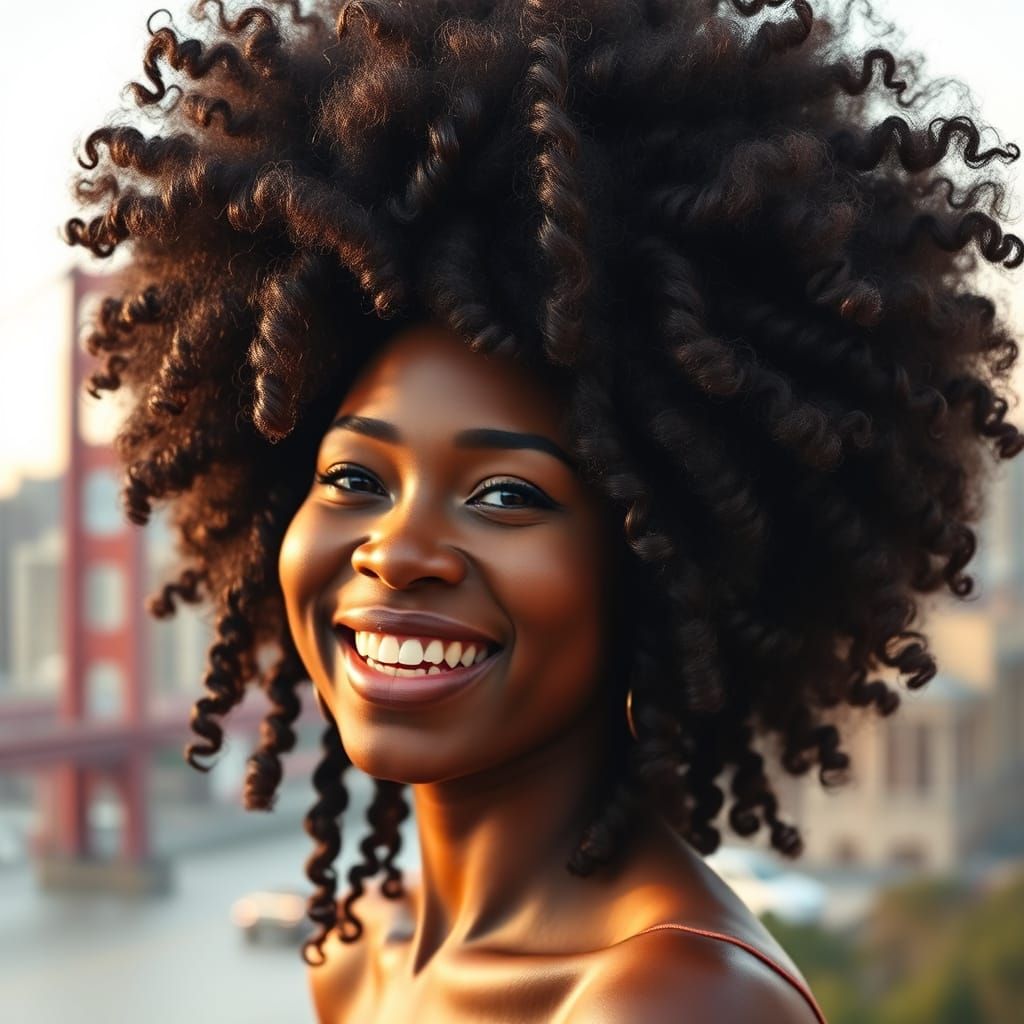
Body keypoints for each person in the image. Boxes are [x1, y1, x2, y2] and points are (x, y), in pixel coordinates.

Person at [63, 0, 1022, 1020]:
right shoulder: (361, 952)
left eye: (506, 495)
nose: (398, 550)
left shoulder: (667, 1003)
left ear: (662, 557)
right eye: (353, 479)